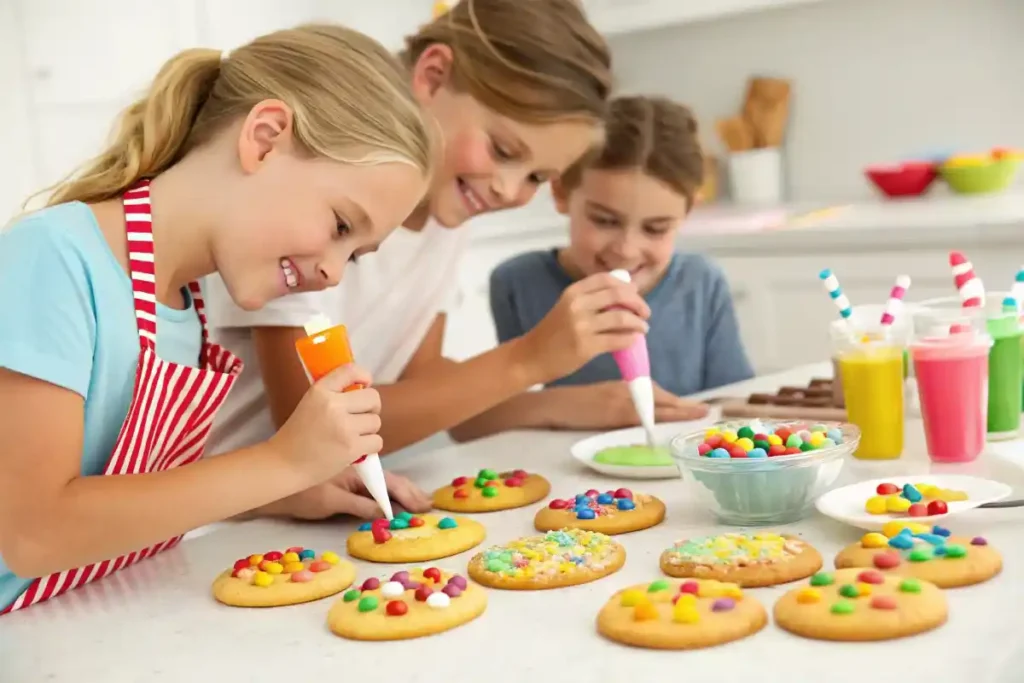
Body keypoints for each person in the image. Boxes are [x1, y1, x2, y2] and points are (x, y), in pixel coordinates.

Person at [0, 24, 435, 614]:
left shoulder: (189, 301)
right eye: (339, 225)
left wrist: (278, 493)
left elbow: (121, 502)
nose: (333, 273)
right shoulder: (50, 259)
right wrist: (281, 461)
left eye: (354, 254)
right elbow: (34, 533)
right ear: (264, 138)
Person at [204, 0, 655, 520]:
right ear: (433, 76)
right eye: (504, 150)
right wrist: (529, 358)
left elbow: (418, 390)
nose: (508, 188)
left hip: (295, 519)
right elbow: (307, 421)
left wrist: (563, 403)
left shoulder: (445, 224)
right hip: (216, 525)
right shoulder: (321, 215)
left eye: (536, 177)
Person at [455, 96, 753, 439]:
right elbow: (474, 422)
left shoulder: (701, 283)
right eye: (604, 220)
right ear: (561, 192)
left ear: (687, 213)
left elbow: (736, 405)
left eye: (655, 229)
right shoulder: (517, 283)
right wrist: (574, 405)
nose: (626, 250)